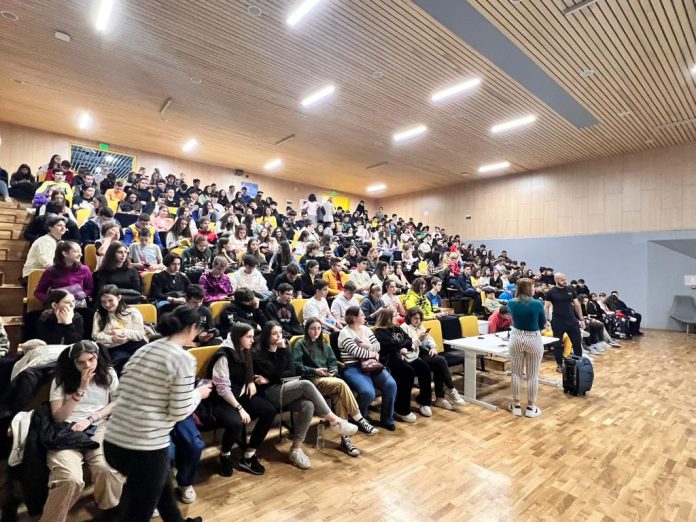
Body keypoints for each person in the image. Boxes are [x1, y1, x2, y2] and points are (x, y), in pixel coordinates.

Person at [104, 305, 209, 522]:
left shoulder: (145, 349)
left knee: (163, 492)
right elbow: (180, 411)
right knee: (138, 514)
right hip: (144, 447)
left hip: (114, 441)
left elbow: (121, 393)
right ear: (192, 328)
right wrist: (198, 393)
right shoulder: (182, 358)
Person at [252, 322, 358, 469]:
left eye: (280, 333)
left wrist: (270, 377)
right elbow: (276, 373)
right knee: (306, 384)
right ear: (266, 335)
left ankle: (296, 449)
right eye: (275, 334)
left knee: (308, 405)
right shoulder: (259, 353)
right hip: (269, 393)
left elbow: (291, 372)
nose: (279, 336)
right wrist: (279, 357)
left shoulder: (284, 347)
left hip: (284, 387)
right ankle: (335, 421)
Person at [43, 341, 123, 521]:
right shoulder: (61, 378)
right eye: (80, 362)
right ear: (73, 362)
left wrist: (91, 418)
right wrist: (80, 389)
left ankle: (110, 512)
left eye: (91, 359)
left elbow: (116, 402)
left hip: (98, 425)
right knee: (70, 478)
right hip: (67, 430)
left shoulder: (108, 373)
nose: (87, 365)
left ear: (97, 357)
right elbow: (59, 417)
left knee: (107, 469)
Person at [293, 317, 378, 454]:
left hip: (328, 379)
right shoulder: (300, 344)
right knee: (341, 384)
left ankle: (345, 440)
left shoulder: (323, 344)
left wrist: (333, 371)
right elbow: (296, 366)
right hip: (311, 380)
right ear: (307, 329)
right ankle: (359, 418)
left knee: (339, 397)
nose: (316, 332)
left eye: (319, 328)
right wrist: (314, 370)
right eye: (312, 329)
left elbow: (333, 361)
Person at [208, 322, 275, 477]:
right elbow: (223, 389)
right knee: (236, 422)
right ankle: (225, 455)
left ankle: (249, 454)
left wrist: (250, 381)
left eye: (252, 336)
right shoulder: (223, 355)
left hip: (239, 394)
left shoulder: (245, 350)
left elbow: (248, 369)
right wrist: (240, 408)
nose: (252, 340)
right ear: (238, 337)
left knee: (269, 411)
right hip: (223, 400)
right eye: (249, 337)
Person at [338, 307, 397, 431]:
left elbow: (377, 346)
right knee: (368, 393)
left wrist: (367, 346)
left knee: (391, 385)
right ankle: (359, 417)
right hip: (353, 366)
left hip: (371, 364)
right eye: (362, 315)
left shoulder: (366, 329)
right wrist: (372, 353)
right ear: (354, 318)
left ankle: (387, 419)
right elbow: (356, 352)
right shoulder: (344, 333)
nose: (365, 316)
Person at [400, 308, 465, 411]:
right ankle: (449, 390)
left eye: (419, 319)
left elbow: (429, 338)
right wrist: (419, 339)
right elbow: (408, 346)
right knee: (438, 362)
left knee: (440, 361)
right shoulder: (404, 327)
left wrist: (433, 347)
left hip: (421, 352)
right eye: (415, 318)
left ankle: (443, 396)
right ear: (409, 317)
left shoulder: (420, 326)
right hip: (411, 355)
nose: (418, 321)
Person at [373, 309, 427, 422]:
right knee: (408, 372)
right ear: (387, 318)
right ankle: (402, 409)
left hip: (401, 356)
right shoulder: (380, 332)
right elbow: (392, 345)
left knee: (423, 367)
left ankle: (424, 401)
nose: (397, 317)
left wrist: (402, 345)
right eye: (394, 316)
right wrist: (402, 345)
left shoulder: (397, 328)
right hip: (388, 360)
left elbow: (408, 340)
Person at [506, 278, 547, 418]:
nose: (534, 289)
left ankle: (516, 405)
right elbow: (542, 324)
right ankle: (531, 407)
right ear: (529, 288)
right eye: (533, 287)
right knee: (532, 375)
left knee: (516, 373)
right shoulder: (537, 303)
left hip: (516, 337)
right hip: (533, 338)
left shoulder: (511, 302)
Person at [92, 285, 147, 374]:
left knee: (145, 361)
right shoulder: (99, 314)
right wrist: (112, 339)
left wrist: (124, 332)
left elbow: (140, 334)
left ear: (119, 297)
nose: (107, 305)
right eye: (103, 302)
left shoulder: (132, 312)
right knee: (121, 361)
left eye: (110, 300)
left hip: (134, 343)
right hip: (113, 346)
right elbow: (95, 335)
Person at [544, 272, 584, 374]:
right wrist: (546, 320)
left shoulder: (570, 289)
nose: (565, 281)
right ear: (556, 280)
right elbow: (546, 307)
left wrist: (581, 319)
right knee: (557, 345)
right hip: (558, 322)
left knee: (577, 343)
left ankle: (578, 363)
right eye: (562, 280)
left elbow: (577, 305)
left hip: (572, 321)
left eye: (565, 279)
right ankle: (559, 364)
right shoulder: (551, 292)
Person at [34, 240, 93, 305]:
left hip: (78, 305)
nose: (81, 254)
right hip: (57, 306)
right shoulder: (50, 271)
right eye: (76, 252)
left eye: (80, 252)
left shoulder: (85, 269)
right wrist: (53, 300)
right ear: (65, 253)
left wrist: (81, 295)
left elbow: (90, 289)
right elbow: (39, 292)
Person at [22, 214, 67, 281]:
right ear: (50, 227)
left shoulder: (60, 242)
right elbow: (45, 262)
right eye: (59, 225)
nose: (63, 228)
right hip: (33, 275)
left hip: (47, 274)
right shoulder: (44, 240)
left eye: (64, 226)